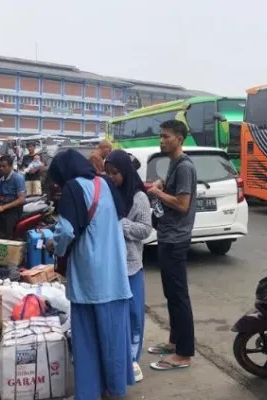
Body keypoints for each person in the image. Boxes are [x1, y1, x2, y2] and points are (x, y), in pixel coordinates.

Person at [46, 149, 134, 399]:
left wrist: (56, 247)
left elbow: (65, 232)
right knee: (113, 337)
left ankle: (90, 392)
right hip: (114, 274)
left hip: (89, 277)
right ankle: (115, 388)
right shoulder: (104, 182)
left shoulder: (73, 188)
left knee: (87, 340)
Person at [146, 119, 197, 371]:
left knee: (179, 297)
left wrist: (156, 194)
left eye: (166, 136)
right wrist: (161, 185)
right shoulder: (174, 164)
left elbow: (182, 204)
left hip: (176, 239)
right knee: (171, 295)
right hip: (167, 236)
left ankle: (184, 353)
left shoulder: (185, 166)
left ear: (179, 138)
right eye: (161, 136)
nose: (161, 140)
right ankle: (174, 341)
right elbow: (173, 192)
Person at [105, 150, 153, 383]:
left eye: (115, 173)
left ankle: (133, 359)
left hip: (132, 266)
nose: (112, 177)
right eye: (108, 173)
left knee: (134, 315)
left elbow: (145, 230)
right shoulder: (109, 193)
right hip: (112, 265)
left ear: (126, 171)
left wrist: (121, 224)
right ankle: (119, 357)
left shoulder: (138, 197)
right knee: (117, 316)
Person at [0, 155, 27, 238]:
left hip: (14, 209)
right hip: (4, 206)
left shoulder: (17, 178)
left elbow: (21, 199)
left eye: (4, 166)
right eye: (0, 166)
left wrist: (3, 207)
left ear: (11, 166)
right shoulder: (2, 180)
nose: (1, 168)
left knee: (8, 234)